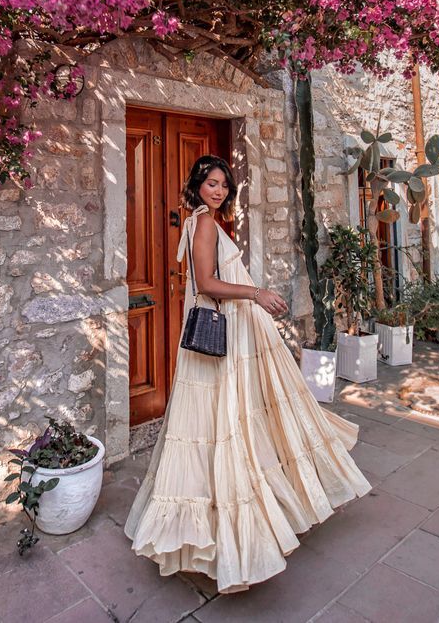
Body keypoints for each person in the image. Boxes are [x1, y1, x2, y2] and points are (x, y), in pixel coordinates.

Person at [124, 155, 371, 593]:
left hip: (234, 335)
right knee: (222, 423)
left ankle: (230, 523)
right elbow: (206, 283)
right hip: (222, 336)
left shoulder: (205, 221)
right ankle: (223, 533)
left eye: (224, 184)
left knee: (229, 421)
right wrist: (257, 293)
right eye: (210, 182)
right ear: (197, 185)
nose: (218, 190)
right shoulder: (202, 224)